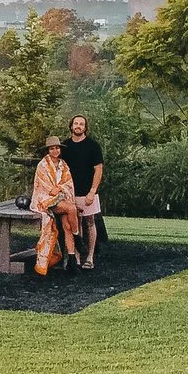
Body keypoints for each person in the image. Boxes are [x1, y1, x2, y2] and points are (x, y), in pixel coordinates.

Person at [59, 114, 105, 269]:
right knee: (75, 225)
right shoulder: (64, 146)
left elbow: (98, 170)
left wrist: (92, 191)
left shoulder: (93, 146)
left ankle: (90, 257)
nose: (78, 126)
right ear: (71, 126)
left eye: (81, 124)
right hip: (70, 193)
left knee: (90, 222)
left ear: (85, 128)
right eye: (76, 123)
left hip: (88, 192)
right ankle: (76, 257)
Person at [30, 134, 80, 276]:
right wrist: (59, 189)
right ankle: (78, 238)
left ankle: (71, 260)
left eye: (57, 148)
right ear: (48, 150)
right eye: (52, 148)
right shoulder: (43, 165)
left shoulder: (63, 165)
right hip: (46, 201)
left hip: (61, 198)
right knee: (72, 208)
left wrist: (60, 188)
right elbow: (46, 188)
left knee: (67, 225)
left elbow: (68, 183)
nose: (55, 151)